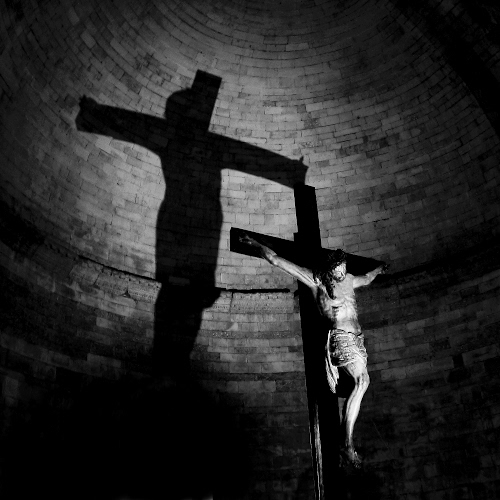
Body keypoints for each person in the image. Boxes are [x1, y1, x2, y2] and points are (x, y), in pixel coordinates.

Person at [240, 234, 387, 468]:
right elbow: (276, 260)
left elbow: (367, 278)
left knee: (362, 383)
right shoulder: (316, 281)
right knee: (362, 382)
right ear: (330, 268)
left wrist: (379, 268)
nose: (342, 273)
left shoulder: (349, 280)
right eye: (338, 269)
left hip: (358, 341)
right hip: (341, 338)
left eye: (344, 268)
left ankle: (345, 442)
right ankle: (346, 444)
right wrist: (255, 244)